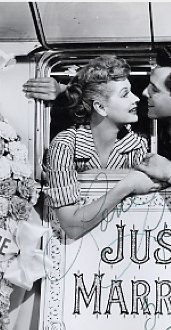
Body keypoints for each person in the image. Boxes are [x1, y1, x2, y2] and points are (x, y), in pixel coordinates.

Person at [23, 45, 171, 246]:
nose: (142, 94)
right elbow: (105, 96)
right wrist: (63, 91)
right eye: (144, 87)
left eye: (154, 90)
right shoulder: (160, 112)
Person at [39, 55, 161, 240]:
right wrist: (127, 185)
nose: (136, 99)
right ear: (100, 107)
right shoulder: (64, 146)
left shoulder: (138, 145)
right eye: (125, 94)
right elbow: (71, 226)